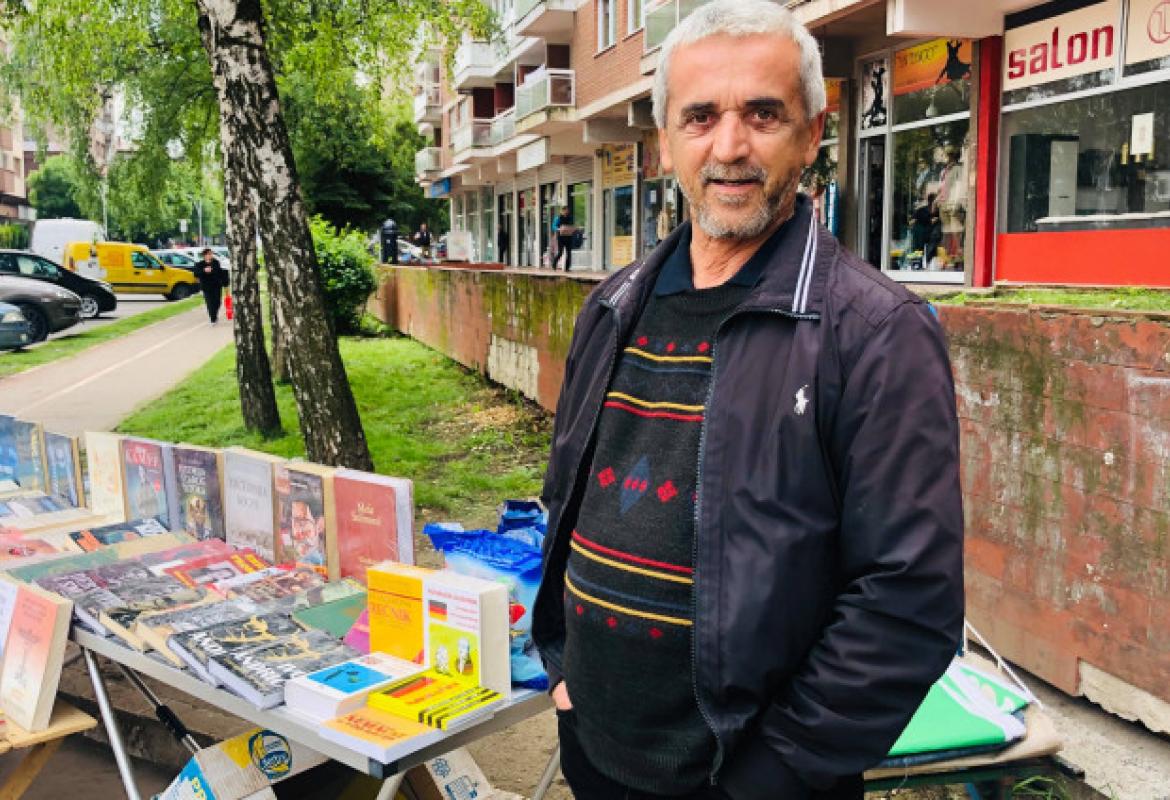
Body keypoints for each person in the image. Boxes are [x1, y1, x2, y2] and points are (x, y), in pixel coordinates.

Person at [531, 4, 964, 800]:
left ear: (812, 133)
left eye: (763, 115)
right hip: (595, 751)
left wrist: (774, 772)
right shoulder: (613, 307)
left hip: (751, 782)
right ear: (665, 141)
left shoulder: (874, 333)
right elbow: (567, 498)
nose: (729, 147)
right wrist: (560, 664)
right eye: (700, 117)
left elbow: (907, 599)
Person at [195, 248, 228, 323]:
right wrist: (204, 270)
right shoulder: (199, 264)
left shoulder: (216, 262)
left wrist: (225, 282)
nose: (210, 255)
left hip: (216, 285)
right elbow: (196, 273)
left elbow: (219, 272)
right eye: (209, 254)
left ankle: (214, 315)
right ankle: (213, 318)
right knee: (210, 302)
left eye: (211, 254)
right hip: (206, 286)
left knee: (217, 302)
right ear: (204, 255)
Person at [551, 205, 576, 271]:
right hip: (561, 237)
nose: (566, 212)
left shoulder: (570, 218)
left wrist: (573, 229)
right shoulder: (558, 218)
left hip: (569, 237)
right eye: (565, 210)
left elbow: (572, 226)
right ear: (562, 211)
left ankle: (567, 268)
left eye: (567, 210)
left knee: (569, 253)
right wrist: (559, 229)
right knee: (560, 252)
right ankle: (554, 263)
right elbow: (553, 226)